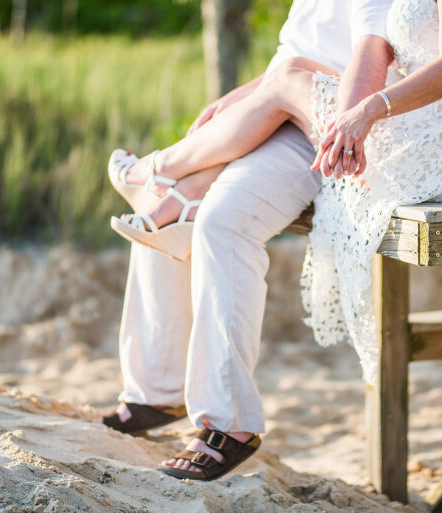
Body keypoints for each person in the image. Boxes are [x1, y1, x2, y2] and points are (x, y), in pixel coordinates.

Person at [101, 0, 394, 481]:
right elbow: (297, 51)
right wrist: (248, 96)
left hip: (337, 121)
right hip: (287, 105)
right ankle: (156, 392)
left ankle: (229, 421)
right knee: (168, 199)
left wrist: (270, 99)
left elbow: (367, 56)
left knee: (220, 217)